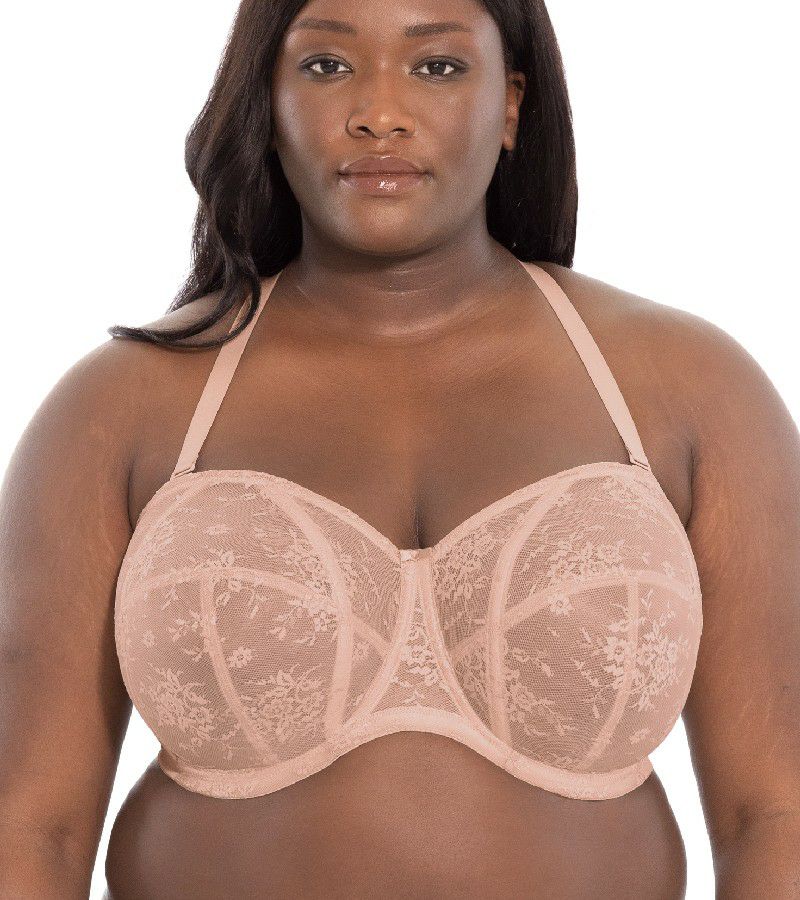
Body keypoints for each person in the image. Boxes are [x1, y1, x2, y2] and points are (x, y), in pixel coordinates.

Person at [2, 0, 798, 898]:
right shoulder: (122, 406)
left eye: (437, 67)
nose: (379, 112)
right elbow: (32, 830)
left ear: (510, 104)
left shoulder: (690, 388)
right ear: (268, 102)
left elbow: (773, 815)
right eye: (326, 66)